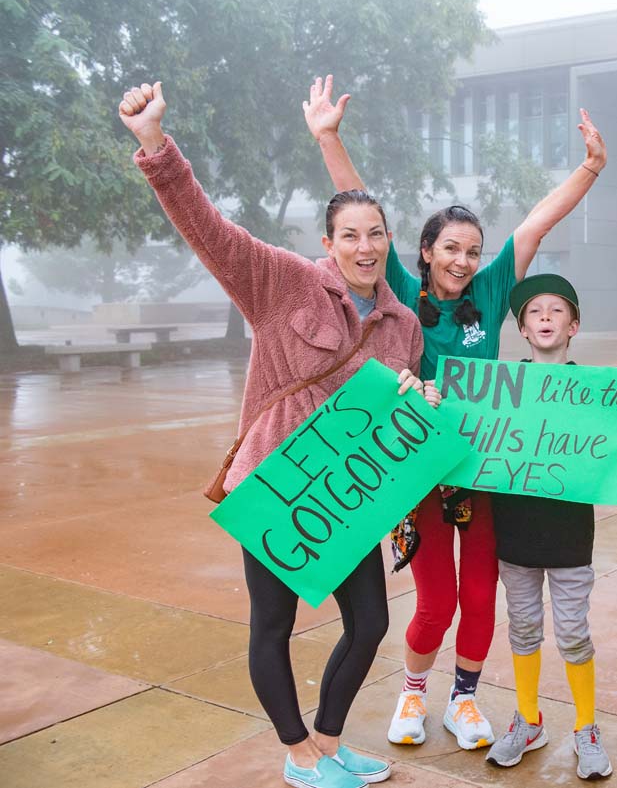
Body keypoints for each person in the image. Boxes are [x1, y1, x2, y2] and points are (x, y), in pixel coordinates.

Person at [119, 81, 442, 788]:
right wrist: (155, 146)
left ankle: (327, 741)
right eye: (350, 235)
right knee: (273, 625)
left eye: (376, 234)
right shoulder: (282, 282)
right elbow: (208, 228)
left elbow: (404, 421)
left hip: (345, 501)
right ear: (327, 243)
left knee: (369, 625)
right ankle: (295, 752)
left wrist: (420, 398)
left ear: (389, 243)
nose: (365, 246)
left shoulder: (405, 326)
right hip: (274, 485)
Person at [302, 75, 608, 751]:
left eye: (472, 250)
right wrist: (330, 138)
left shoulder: (495, 287)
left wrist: (588, 168)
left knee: (481, 598)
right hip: (421, 472)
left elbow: (536, 222)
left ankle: (464, 700)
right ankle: (413, 694)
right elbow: (363, 215)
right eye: (451, 248)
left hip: (488, 467)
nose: (464, 260)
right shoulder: (403, 291)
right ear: (425, 253)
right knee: (436, 599)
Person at [482, 274, 617, 780]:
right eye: (536, 312)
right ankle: (528, 720)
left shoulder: (595, 393)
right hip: (515, 535)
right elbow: (471, 441)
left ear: (573, 326)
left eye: (557, 311)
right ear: (523, 328)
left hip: (571, 539)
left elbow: (615, 452)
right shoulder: (499, 391)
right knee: (524, 628)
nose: (547, 319)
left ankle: (585, 727)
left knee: (574, 633)